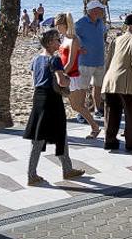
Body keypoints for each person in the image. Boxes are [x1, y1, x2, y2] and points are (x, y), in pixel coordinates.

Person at [23, 29, 85, 186]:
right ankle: (35, 174)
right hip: (52, 99)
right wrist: (67, 80)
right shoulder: (55, 59)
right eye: (58, 40)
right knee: (58, 133)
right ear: (50, 43)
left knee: (40, 136)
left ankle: (65, 168)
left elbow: (34, 80)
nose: (59, 42)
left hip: (38, 98)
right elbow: (61, 81)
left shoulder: (36, 59)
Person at [101, 14, 132, 153]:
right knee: (131, 114)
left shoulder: (117, 39)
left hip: (110, 80)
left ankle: (110, 141)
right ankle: (131, 144)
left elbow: (108, 60)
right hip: (127, 81)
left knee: (112, 112)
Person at [55, 12, 102, 138]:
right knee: (77, 106)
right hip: (67, 75)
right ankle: (95, 127)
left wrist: (61, 74)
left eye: (58, 26)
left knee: (78, 106)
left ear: (65, 25)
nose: (57, 28)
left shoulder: (73, 39)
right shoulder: (65, 38)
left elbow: (70, 62)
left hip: (72, 76)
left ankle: (95, 127)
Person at [76, 0, 107, 122]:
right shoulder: (81, 23)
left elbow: (103, 33)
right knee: (82, 88)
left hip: (99, 61)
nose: (102, 11)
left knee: (98, 87)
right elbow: (70, 36)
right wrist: (78, 48)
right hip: (85, 62)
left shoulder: (100, 23)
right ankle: (81, 112)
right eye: (100, 9)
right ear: (93, 10)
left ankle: (97, 109)